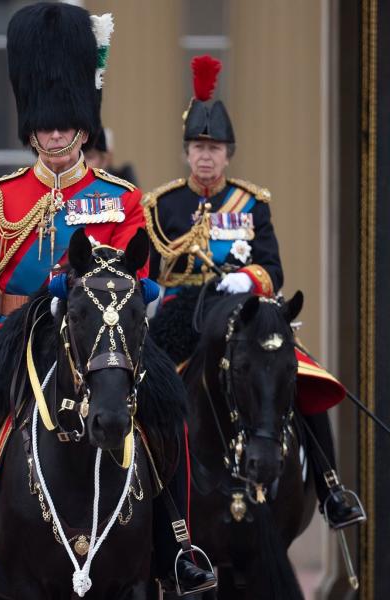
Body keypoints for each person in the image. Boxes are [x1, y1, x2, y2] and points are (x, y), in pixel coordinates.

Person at [0, 5, 216, 594]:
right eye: (44, 126)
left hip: (105, 330)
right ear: (31, 127)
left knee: (167, 412)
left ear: (82, 124)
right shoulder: (2, 198)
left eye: (63, 125)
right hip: (16, 333)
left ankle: (179, 544)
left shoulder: (118, 197)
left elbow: (140, 268)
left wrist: (112, 289)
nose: (54, 135)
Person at [144, 54, 365, 530]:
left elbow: (274, 269)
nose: (206, 156)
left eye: (215, 148)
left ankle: (329, 488)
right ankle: (141, 492)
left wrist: (248, 279)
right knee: (140, 386)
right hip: (183, 313)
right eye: (198, 147)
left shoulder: (252, 203)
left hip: (244, 311)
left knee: (299, 373)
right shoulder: (163, 205)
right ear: (186, 153)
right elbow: (150, 267)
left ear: (229, 154)